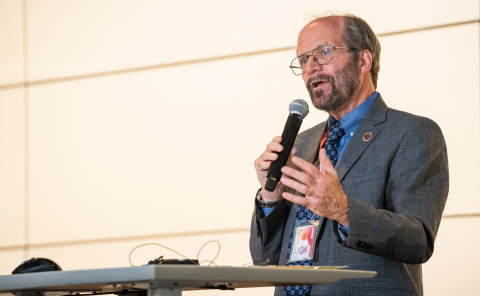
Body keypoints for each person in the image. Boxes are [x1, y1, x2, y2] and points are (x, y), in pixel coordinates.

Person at [250, 13, 449, 296]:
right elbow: (266, 261)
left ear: (363, 61)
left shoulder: (412, 132)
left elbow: (417, 241)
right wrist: (271, 194)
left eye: (323, 52)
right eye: (303, 60)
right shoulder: (302, 143)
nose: (311, 68)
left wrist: (343, 211)